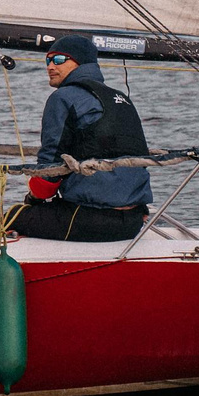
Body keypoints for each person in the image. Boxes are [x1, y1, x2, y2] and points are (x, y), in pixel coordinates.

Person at [11, 34, 151, 242]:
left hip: (90, 220)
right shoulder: (120, 98)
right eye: (48, 60)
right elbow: (138, 156)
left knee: (14, 217)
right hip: (133, 221)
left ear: (81, 62)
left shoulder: (63, 98)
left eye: (59, 60)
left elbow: (49, 171)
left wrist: (33, 198)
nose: (50, 66)